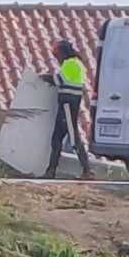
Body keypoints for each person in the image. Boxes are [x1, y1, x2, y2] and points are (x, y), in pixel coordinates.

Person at [44, 37, 93, 180]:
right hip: (69, 104)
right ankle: (51, 170)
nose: (57, 59)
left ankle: (86, 170)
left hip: (67, 105)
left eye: (57, 55)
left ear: (63, 53)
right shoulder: (76, 64)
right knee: (58, 138)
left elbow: (59, 81)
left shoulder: (70, 64)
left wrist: (45, 78)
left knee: (73, 138)